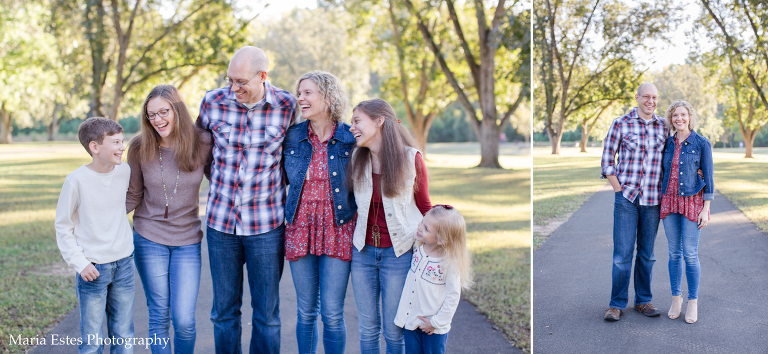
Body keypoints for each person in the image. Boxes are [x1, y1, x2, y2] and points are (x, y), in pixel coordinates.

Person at [196, 46, 296, 354]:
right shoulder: (212, 102)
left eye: (241, 81)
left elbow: (292, 159)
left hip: (266, 227)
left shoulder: (287, 106)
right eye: (230, 80)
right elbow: (201, 153)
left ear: (262, 76)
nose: (234, 88)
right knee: (224, 312)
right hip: (220, 224)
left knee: (267, 315)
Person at [126, 85, 213, 353]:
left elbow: (221, 180)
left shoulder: (203, 142)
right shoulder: (140, 147)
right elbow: (133, 195)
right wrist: (96, 219)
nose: (158, 120)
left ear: (177, 110)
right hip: (149, 236)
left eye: (164, 112)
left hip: (187, 240)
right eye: (151, 115)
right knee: (159, 315)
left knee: (184, 319)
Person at [347, 98, 432, 353]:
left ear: (379, 121)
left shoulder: (411, 158)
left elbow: (425, 206)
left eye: (357, 121)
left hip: (398, 254)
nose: (352, 127)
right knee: (368, 330)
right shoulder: (357, 157)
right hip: (362, 254)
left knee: (394, 332)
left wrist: (442, 246)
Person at [283, 71, 357, 354]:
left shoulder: (350, 137)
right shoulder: (292, 137)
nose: (300, 98)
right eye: (299, 92)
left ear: (327, 97)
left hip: (338, 229)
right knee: (306, 312)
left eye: (307, 93)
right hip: (299, 229)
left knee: (333, 313)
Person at [54, 117, 134, 354]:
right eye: (116, 142)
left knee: (124, 334)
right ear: (95, 147)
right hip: (93, 269)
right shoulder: (76, 180)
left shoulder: (124, 171)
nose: (122, 147)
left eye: (123, 141)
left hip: (124, 264)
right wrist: (80, 263)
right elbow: (63, 226)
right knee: (92, 340)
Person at [600, 83, 667, 321]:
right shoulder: (620, 123)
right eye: (646, 96)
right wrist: (618, 190)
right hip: (627, 198)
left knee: (647, 254)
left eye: (655, 97)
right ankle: (616, 304)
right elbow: (608, 159)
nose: (651, 101)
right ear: (637, 97)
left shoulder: (663, 126)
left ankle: (643, 301)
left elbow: (675, 155)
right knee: (622, 255)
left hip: (653, 199)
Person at [659, 101, 713, 324]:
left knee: (690, 254)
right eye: (674, 115)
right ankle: (676, 299)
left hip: (692, 203)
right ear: (671, 119)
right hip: (669, 202)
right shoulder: (668, 144)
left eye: (682, 114)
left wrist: (706, 209)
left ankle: (693, 302)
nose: (678, 118)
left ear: (690, 117)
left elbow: (708, 178)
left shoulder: (702, 143)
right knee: (673, 253)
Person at [394, 205, 473, 354]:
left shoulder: (449, 263)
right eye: (422, 222)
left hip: (433, 328)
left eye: (426, 228)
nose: (419, 227)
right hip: (412, 322)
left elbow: (453, 296)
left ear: (441, 239)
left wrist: (435, 323)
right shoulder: (418, 249)